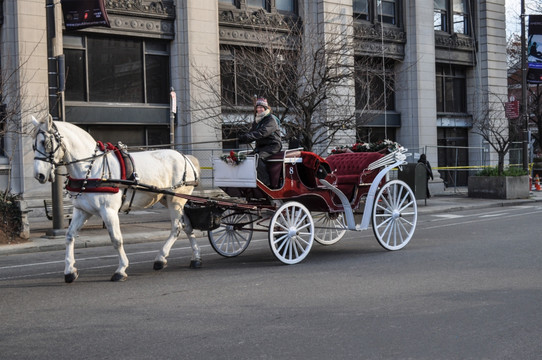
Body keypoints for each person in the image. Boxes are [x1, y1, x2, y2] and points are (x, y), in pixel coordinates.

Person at [238, 97, 282, 187]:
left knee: (258, 158)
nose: (259, 109)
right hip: (261, 147)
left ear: (265, 108)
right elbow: (252, 134)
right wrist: (243, 138)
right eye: (258, 107)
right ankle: (248, 183)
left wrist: (249, 136)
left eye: (261, 107)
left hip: (273, 146)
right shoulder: (257, 121)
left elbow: (262, 132)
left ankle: (266, 184)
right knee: (247, 159)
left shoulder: (271, 120)